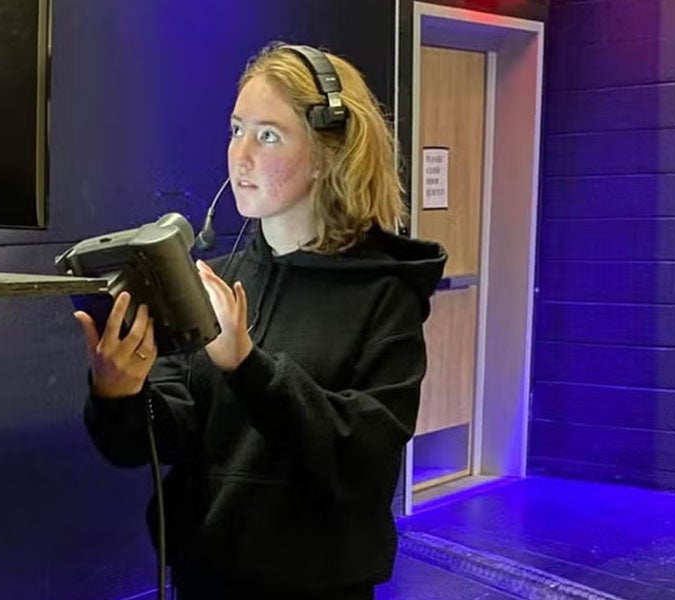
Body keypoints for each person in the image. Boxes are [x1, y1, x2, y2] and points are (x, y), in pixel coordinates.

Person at [75, 41, 447, 600]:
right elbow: (153, 442)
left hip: (322, 585)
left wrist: (248, 367)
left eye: (268, 135)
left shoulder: (383, 294)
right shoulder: (214, 285)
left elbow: (364, 458)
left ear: (327, 156)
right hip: (205, 577)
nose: (240, 155)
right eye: (235, 129)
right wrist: (119, 394)